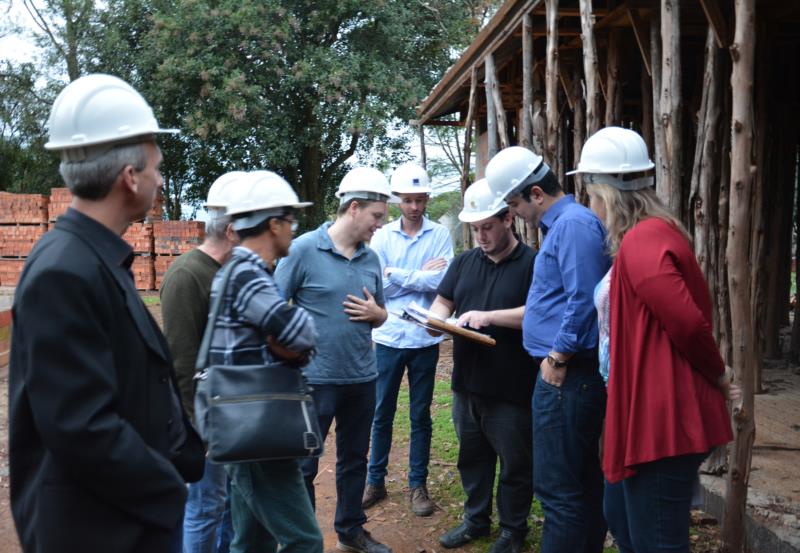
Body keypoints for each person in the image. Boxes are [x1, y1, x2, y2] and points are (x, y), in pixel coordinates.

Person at [8, 73, 204, 553]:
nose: (160, 179)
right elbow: (81, 426)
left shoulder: (90, 257)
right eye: (156, 167)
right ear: (130, 177)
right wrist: (166, 491)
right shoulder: (65, 270)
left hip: (121, 516)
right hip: (100, 529)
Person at [573, 127, 734, 552]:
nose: (590, 203)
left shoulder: (644, 239)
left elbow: (685, 322)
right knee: (624, 520)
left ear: (605, 192)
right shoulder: (650, 234)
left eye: (589, 191)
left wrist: (718, 373)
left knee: (656, 542)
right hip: (647, 412)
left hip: (662, 418)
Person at [486, 146, 610, 553]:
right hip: (566, 374)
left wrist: (558, 357)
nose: (516, 213)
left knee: (558, 488)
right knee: (576, 482)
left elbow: (584, 300)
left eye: (515, 204)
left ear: (536, 194)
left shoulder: (572, 226)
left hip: (568, 376)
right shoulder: (563, 226)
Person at [275, 167, 393, 553]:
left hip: (362, 376)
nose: (380, 224)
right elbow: (273, 309)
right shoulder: (302, 250)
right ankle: (303, 538)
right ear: (354, 208)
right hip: (313, 379)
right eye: (377, 216)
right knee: (304, 465)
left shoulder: (371, 258)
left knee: (354, 460)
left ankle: (350, 531)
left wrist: (380, 316)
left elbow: (382, 311)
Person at [205, 170, 324, 553]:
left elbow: (286, 337)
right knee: (304, 542)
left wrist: (285, 343)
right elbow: (302, 333)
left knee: (251, 542)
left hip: (248, 427)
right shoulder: (249, 276)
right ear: (273, 224)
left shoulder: (237, 272)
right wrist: (293, 344)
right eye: (289, 221)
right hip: (258, 433)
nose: (292, 229)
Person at [427, 179, 536, 553]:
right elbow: (443, 300)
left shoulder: (532, 263)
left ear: (508, 218)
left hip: (511, 387)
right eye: (475, 228)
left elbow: (537, 315)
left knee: (515, 464)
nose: (481, 236)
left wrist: (489, 317)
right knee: (471, 459)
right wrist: (436, 318)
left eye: (487, 226)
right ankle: (475, 520)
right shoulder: (464, 262)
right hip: (466, 384)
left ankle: (512, 531)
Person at [363, 163, 454, 517]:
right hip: (387, 334)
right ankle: (376, 481)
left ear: (427, 198)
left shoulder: (440, 235)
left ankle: (418, 484)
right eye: (408, 200)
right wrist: (417, 276)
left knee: (420, 415)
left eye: (420, 199)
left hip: (424, 337)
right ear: (397, 200)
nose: (415, 206)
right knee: (381, 411)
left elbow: (441, 283)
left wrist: (396, 274)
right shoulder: (382, 236)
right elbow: (378, 285)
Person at [160, 172, 244, 553]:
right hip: (205, 423)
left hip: (232, 417)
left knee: (229, 507)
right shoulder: (186, 275)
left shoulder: (231, 272)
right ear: (231, 230)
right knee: (204, 507)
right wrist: (199, 430)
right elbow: (181, 361)